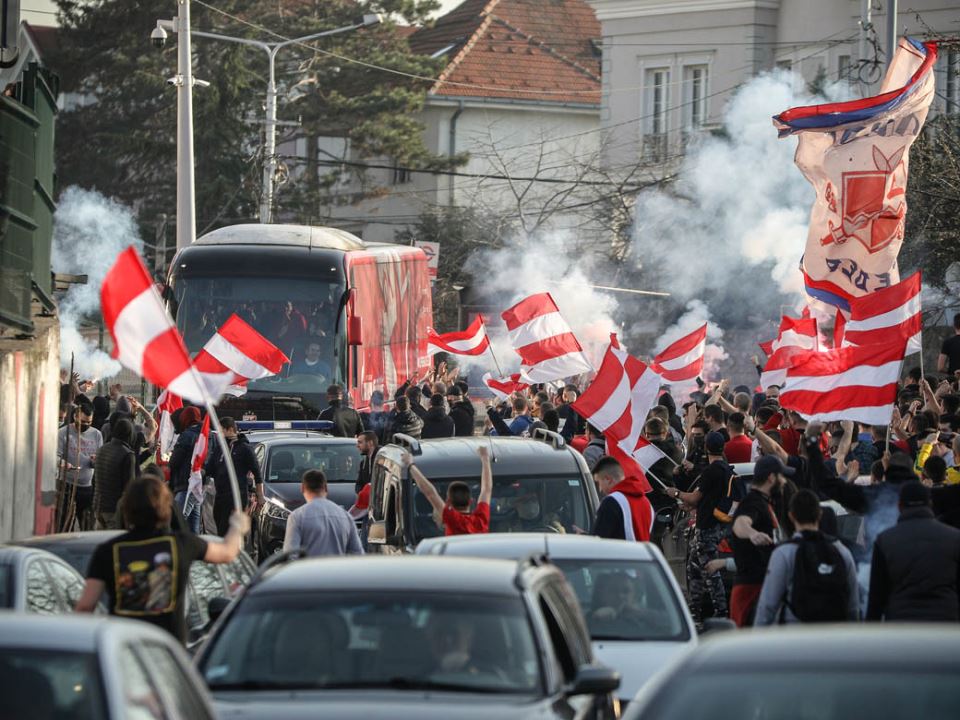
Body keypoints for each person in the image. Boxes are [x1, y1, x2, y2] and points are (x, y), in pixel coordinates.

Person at [76, 474, 250, 641]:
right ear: (166, 507)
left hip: (125, 652)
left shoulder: (107, 551)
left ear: (126, 508)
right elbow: (227, 552)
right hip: (168, 651)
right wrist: (237, 527)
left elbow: (85, 606)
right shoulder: (181, 544)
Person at [753, 490, 860, 625]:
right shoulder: (841, 550)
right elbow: (853, 605)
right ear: (819, 514)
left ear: (791, 516)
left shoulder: (784, 553)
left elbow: (768, 605)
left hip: (796, 635)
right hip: (834, 636)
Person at [867, 481, 960, 622]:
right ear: (930, 504)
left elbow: (877, 597)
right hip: (946, 622)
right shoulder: (954, 538)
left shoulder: (885, 540)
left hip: (902, 624)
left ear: (899, 506)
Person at [672, 431, 734, 627]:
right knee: (695, 569)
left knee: (709, 571)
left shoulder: (711, 471)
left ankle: (720, 611)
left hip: (706, 527)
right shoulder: (726, 469)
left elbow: (695, 498)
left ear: (706, 448)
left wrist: (675, 493)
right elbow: (706, 499)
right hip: (715, 525)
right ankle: (694, 612)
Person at [729, 454, 792, 627]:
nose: (785, 482)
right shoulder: (752, 503)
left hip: (761, 587)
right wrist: (752, 533)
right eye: (782, 477)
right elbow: (741, 523)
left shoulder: (765, 503)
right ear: (771, 478)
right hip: (751, 590)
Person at [408, 446, 492, 535]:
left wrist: (410, 465)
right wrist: (485, 458)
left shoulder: (452, 519)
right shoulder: (481, 520)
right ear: (471, 501)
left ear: (448, 501)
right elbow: (486, 489)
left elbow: (430, 493)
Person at [283, 469, 364, 557]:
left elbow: (290, 556)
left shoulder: (297, 517)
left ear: (302, 488)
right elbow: (357, 554)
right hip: (338, 570)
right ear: (325, 487)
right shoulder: (346, 517)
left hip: (309, 570)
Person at [204, 416, 263, 537]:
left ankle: (234, 553)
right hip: (220, 495)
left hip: (237, 496)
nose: (219, 435)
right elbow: (209, 468)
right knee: (220, 526)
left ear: (230, 430)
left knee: (230, 530)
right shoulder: (220, 448)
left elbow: (257, 473)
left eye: (221, 431)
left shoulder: (245, 449)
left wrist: (260, 495)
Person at [57, 402, 103, 531]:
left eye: (89, 422)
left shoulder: (96, 434)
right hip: (66, 484)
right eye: (83, 422)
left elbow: (99, 459)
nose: (86, 425)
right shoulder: (63, 433)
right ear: (75, 417)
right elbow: (55, 456)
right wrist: (62, 464)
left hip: (86, 486)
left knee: (87, 524)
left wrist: (95, 460)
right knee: (65, 524)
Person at [591, 456, 654, 541]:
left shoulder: (611, 502)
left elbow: (599, 540)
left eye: (599, 482)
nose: (600, 489)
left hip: (620, 553)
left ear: (608, 479)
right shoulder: (647, 503)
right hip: (641, 553)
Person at [93, 417, 138, 530]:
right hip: (114, 510)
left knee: (101, 544)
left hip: (98, 506)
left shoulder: (102, 449)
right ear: (130, 434)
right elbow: (130, 488)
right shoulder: (127, 455)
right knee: (114, 545)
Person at [168, 406, 204, 533]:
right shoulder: (207, 434)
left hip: (186, 485)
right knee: (193, 526)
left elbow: (174, 462)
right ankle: (195, 551)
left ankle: (175, 551)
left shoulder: (186, 435)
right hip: (200, 485)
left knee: (176, 522)